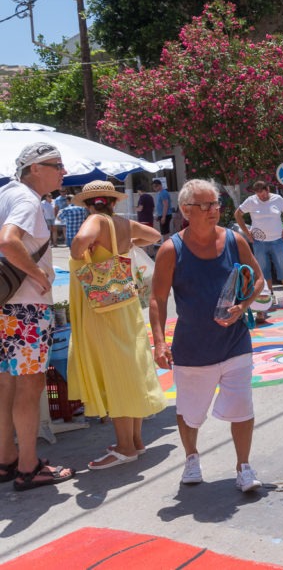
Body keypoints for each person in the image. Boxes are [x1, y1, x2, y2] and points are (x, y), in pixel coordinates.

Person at [150, 179, 264, 491]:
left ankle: (244, 466)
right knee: (189, 413)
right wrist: (159, 342)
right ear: (186, 210)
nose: (214, 210)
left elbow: (257, 279)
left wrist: (243, 306)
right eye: (205, 205)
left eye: (216, 204)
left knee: (242, 407)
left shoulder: (234, 240)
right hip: (192, 348)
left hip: (235, 343)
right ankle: (191, 458)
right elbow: (157, 299)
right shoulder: (170, 250)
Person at [66, 181, 165, 469]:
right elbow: (155, 235)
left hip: (104, 309)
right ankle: (134, 441)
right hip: (125, 303)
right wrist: (128, 245)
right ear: (112, 201)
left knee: (116, 372)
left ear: (89, 204)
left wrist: (89, 247)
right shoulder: (123, 222)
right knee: (129, 368)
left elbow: (75, 249)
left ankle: (125, 447)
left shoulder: (95, 221)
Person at [0, 142, 75, 490]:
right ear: (34, 169)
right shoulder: (29, 200)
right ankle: (29, 466)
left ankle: (6, 459)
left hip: (6, 305)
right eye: (56, 164)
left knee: (6, 385)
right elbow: (8, 241)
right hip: (26, 308)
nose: (63, 170)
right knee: (29, 387)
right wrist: (37, 274)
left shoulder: (6, 195)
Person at [235, 180, 283, 317]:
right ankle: (271, 295)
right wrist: (246, 232)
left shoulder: (277, 199)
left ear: (267, 189)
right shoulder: (251, 201)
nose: (261, 196)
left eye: (262, 193)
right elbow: (238, 214)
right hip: (259, 242)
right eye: (258, 194)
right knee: (263, 269)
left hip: (277, 240)